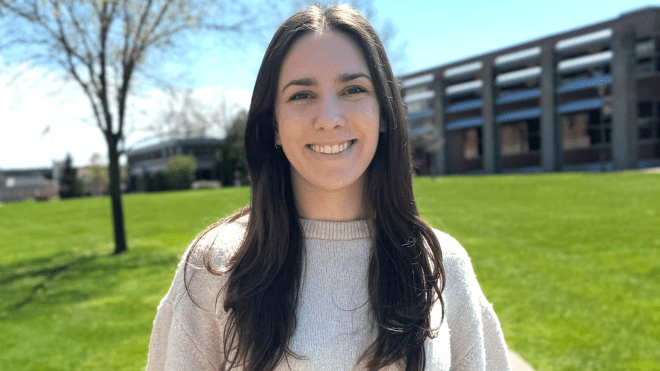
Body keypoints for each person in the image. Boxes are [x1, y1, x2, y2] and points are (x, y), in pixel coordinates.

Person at [147, 4, 511, 371]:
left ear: (384, 113)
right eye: (302, 95)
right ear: (273, 124)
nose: (329, 119)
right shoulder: (217, 266)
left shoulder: (440, 265)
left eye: (353, 89)